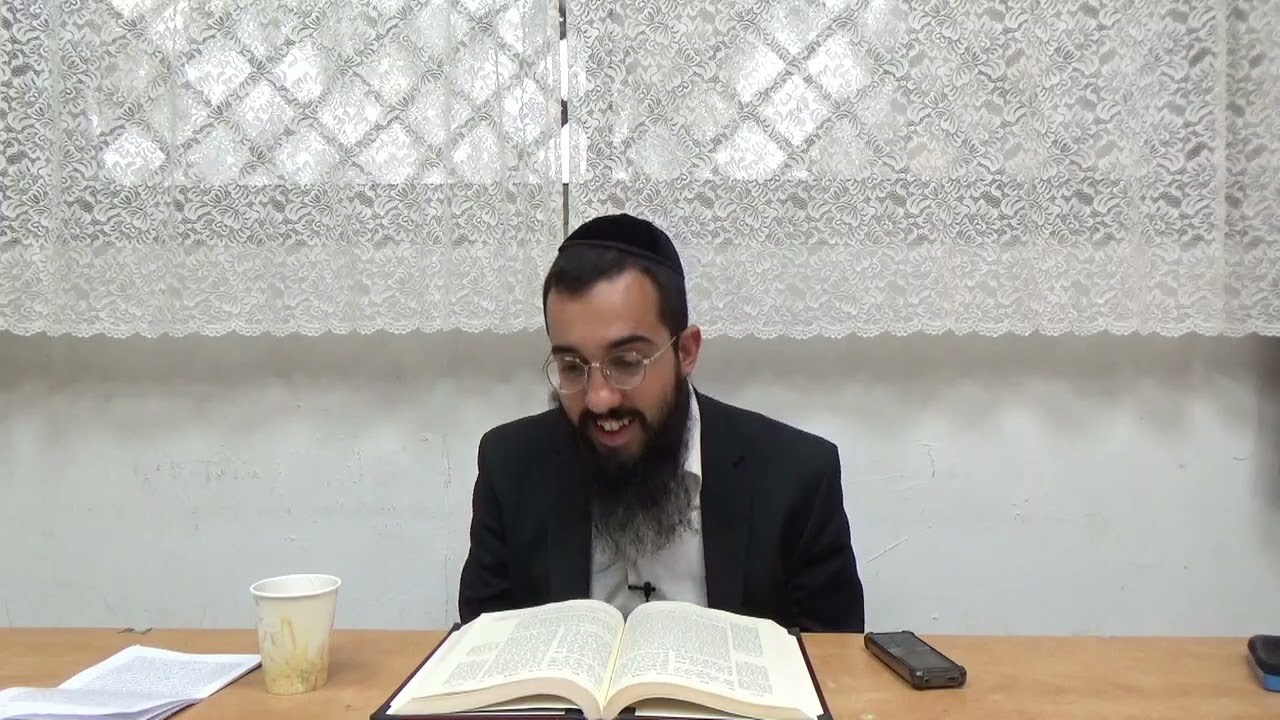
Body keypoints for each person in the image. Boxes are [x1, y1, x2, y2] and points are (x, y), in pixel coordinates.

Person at [457, 213, 865, 632]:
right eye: (572, 366)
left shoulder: (797, 477)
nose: (599, 399)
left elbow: (831, 659)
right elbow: (483, 643)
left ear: (685, 352)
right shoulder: (509, 466)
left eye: (626, 362)